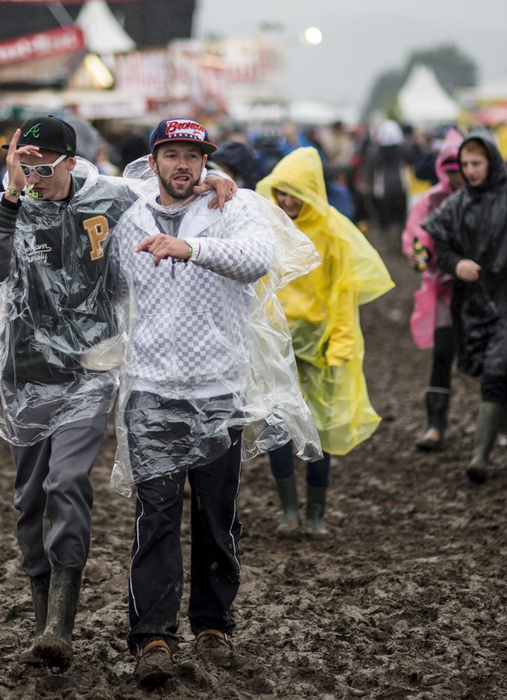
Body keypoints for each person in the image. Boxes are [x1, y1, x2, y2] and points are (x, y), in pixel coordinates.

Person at [0, 117, 237, 670]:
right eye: (25, 164)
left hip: (89, 370)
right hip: (25, 370)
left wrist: (214, 179)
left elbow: (167, 186)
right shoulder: (4, 203)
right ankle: (43, 616)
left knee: (66, 482)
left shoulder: (107, 195)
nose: (36, 176)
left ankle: (61, 624)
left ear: (71, 162)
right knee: (29, 500)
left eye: (44, 166)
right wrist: (10, 197)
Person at [110, 118, 316, 687]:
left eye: (193, 156)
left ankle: (212, 623)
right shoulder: (128, 211)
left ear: (206, 163)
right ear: (153, 161)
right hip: (151, 388)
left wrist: (190, 247)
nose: (182, 164)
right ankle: (152, 637)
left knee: (215, 514)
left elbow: (257, 258)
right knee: (154, 517)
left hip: (219, 390)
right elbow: (78, 184)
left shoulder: (234, 207)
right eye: (171, 153)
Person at [256, 147, 393, 535]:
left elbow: (344, 295)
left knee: (321, 428)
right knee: (277, 425)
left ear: (312, 191)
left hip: (321, 346)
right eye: (282, 191)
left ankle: (315, 513)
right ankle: (289, 512)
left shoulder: (333, 232)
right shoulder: (269, 228)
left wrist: (340, 348)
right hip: (278, 344)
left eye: (295, 192)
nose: (287, 200)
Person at [423, 133, 507, 483]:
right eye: (465, 165)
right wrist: (456, 264)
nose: (470, 170)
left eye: (477, 163)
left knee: (495, 373)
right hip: (476, 307)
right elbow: (439, 245)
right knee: (503, 376)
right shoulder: (458, 204)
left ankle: (480, 456)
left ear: (492, 161)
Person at [403, 129, 464, 451]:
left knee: (487, 359)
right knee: (442, 353)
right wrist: (419, 258)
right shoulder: (432, 201)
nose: (456, 177)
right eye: (450, 170)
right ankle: (435, 425)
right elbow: (417, 240)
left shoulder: (487, 198)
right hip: (443, 289)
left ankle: (498, 427)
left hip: (482, 290)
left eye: (461, 169)